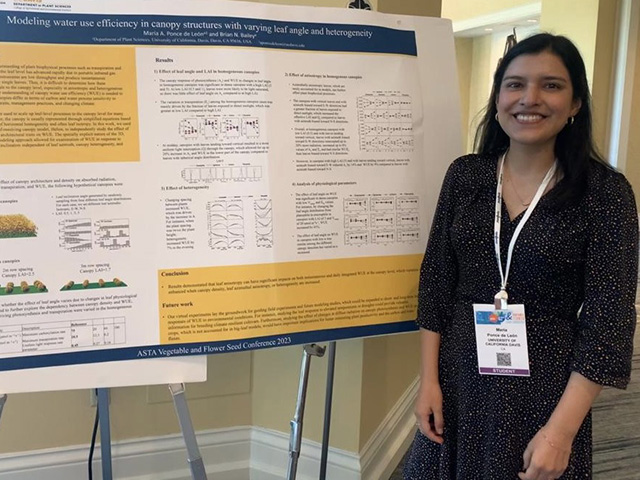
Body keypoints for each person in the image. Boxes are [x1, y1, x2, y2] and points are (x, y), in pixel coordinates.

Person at [403, 33, 638, 480]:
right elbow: (436, 282)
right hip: (458, 379)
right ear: (497, 99)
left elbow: (608, 323)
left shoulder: (605, 194)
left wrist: (560, 433)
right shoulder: (465, 176)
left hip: (548, 391)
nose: (529, 98)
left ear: (575, 104)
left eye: (551, 85)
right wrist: (428, 381)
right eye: (514, 84)